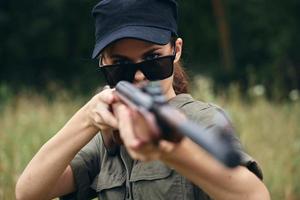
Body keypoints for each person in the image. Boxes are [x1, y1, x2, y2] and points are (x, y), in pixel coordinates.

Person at [15, 0, 270, 199]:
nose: (138, 76)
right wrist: (87, 118)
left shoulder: (202, 120)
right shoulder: (106, 136)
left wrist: (170, 149)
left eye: (153, 60)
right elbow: (28, 192)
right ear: (103, 64)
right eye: (120, 66)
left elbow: (255, 196)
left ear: (176, 50)